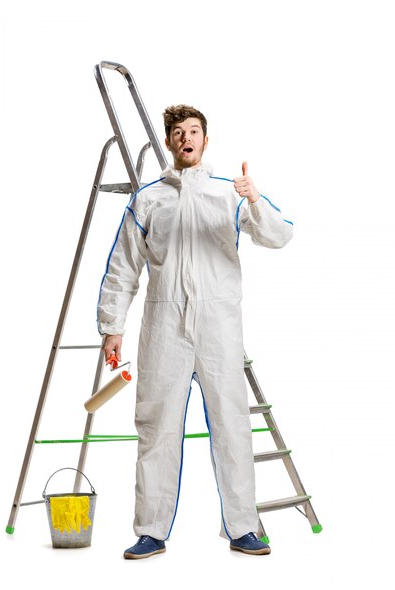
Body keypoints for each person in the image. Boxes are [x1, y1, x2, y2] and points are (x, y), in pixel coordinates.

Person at [97, 105, 293, 559]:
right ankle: (150, 530)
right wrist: (112, 327)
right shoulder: (148, 199)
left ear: (206, 140)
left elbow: (279, 236)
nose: (187, 138)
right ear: (169, 143)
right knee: (156, 427)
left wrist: (256, 199)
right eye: (179, 133)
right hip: (164, 326)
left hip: (219, 326)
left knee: (231, 424)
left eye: (194, 131)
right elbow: (123, 267)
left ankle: (243, 526)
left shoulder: (230, 194)